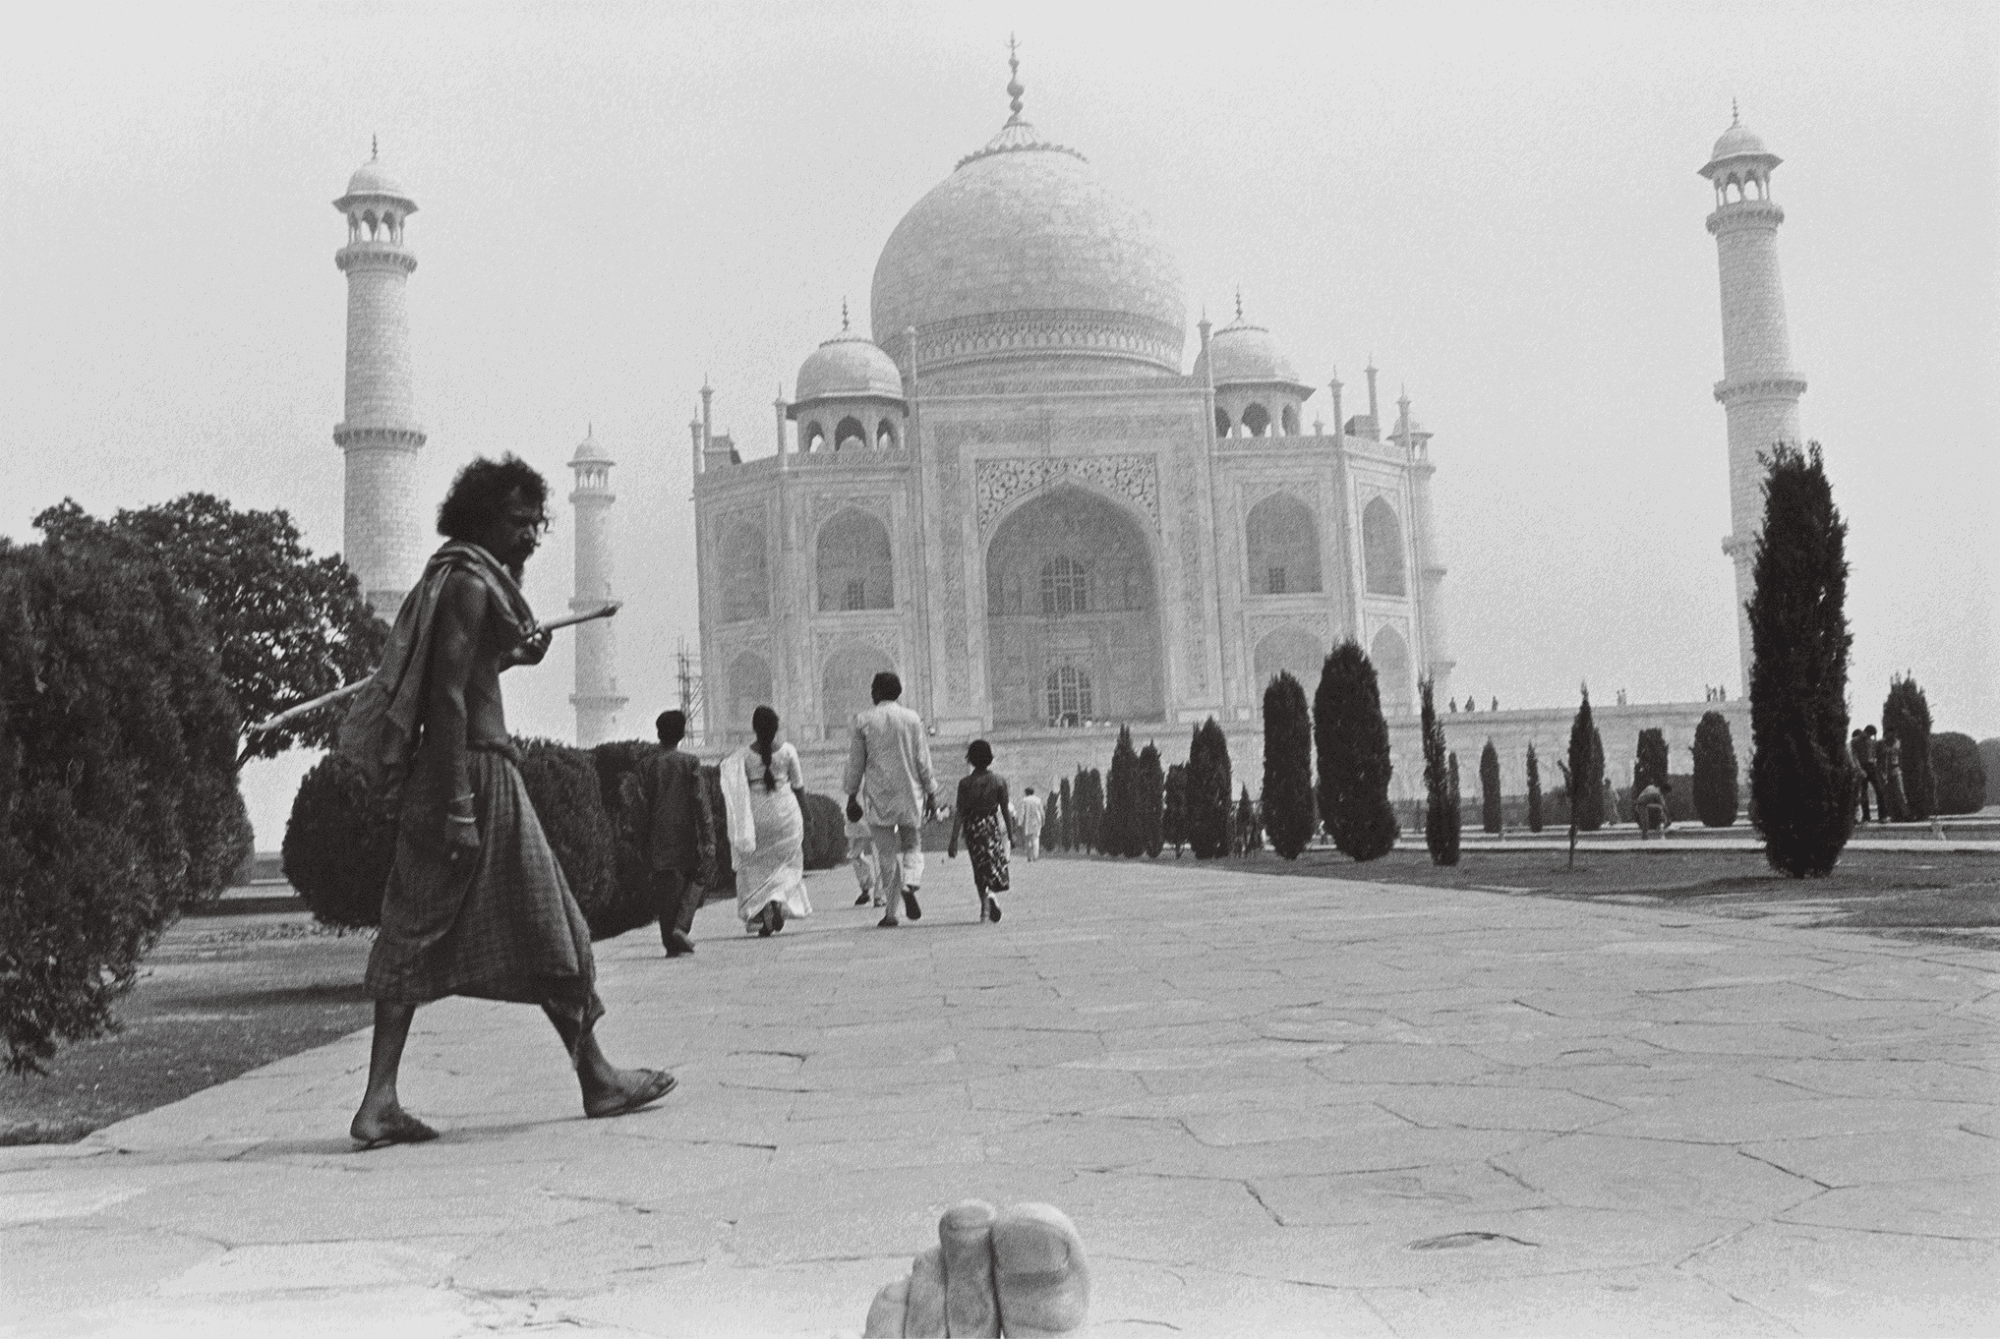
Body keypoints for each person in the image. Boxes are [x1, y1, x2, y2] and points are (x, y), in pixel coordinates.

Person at [340, 454, 672, 1148]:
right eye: (519, 523)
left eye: (535, 524)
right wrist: (460, 801)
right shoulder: (465, 583)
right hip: (476, 774)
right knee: (545, 929)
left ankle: (387, 1099)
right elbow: (448, 696)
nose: (530, 537)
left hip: (467, 770)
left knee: (448, 927)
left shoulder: (462, 578)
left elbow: (469, 671)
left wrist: (517, 655)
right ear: (484, 518)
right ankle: (595, 1077)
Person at [844, 671, 937, 929]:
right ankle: (910, 883)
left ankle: (891, 913)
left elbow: (856, 763)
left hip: (878, 795)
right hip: (910, 792)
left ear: (875, 692)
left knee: (885, 854)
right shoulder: (912, 719)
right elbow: (922, 760)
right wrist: (931, 792)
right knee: (912, 844)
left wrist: (851, 794)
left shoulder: (864, 720)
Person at [720, 706, 813, 937]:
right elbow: (799, 787)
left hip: (756, 815)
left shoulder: (742, 755)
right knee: (786, 864)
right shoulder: (789, 751)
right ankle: (777, 900)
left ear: (754, 728)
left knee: (754, 866)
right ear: (777, 727)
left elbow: (732, 785)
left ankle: (762, 910)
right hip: (785, 813)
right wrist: (807, 816)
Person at [635, 709, 714, 958]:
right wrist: (708, 837)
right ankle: (680, 927)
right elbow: (700, 801)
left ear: (658, 733)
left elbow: (640, 804)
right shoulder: (689, 762)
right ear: (682, 734)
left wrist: (641, 838)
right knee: (699, 877)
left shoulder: (647, 765)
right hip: (685, 833)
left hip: (657, 835)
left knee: (665, 889)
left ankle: (670, 942)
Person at [947, 740, 1020, 923]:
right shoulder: (999, 781)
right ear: (989, 759)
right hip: (990, 825)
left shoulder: (965, 784)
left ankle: (985, 908)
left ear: (970, 760)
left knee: (978, 868)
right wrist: (1011, 835)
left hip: (973, 828)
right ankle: (991, 896)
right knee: (993, 865)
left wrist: (953, 840)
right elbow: (1004, 810)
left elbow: (960, 813)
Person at [847, 806, 882, 908]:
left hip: (867, 815)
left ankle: (874, 893)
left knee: (856, 855)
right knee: (856, 855)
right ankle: (874, 893)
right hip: (861, 815)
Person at [1852, 724, 1884, 824]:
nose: (1870, 737)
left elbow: (1874, 754)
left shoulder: (1872, 741)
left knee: (1879, 790)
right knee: (1864, 792)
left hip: (1871, 766)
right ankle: (1866, 816)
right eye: (1870, 735)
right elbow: (1854, 756)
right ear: (1866, 732)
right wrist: (1859, 769)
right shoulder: (1855, 740)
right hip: (1862, 766)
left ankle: (1882, 815)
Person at [1881, 732, 1908, 822]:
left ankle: (1905, 813)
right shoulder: (1884, 744)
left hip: (1896, 769)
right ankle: (1894, 815)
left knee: (1900, 793)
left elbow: (1900, 755)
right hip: (1888, 771)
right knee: (1890, 794)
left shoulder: (1897, 743)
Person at [1017, 786, 1046, 862]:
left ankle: (1029, 857)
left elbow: (1021, 812)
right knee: (1035, 839)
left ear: (1026, 793)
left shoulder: (1024, 800)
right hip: (1036, 822)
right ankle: (1035, 856)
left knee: (1027, 840)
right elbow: (1042, 812)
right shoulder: (1038, 800)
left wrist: (1019, 822)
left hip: (1027, 822)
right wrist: (1043, 820)